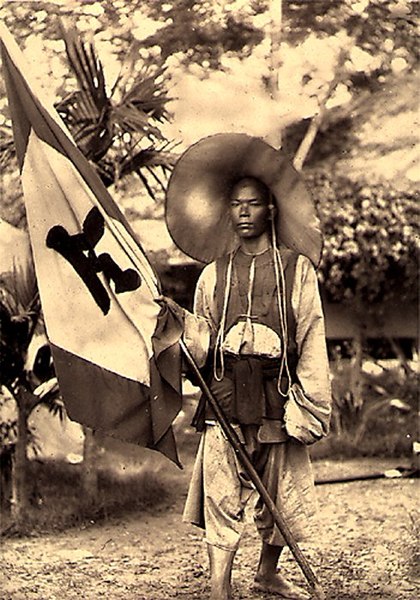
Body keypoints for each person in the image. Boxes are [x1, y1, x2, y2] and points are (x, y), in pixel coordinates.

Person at [164, 134, 332, 600]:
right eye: (236, 205)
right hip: (225, 396)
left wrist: (311, 404)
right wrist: (177, 325)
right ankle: (220, 588)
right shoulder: (212, 273)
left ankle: (266, 572)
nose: (242, 213)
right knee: (221, 491)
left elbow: (311, 336)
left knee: (282, 492)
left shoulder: (296, 270)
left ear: (270, 210)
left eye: (252, 204)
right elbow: (200, 343)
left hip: (278, 396)